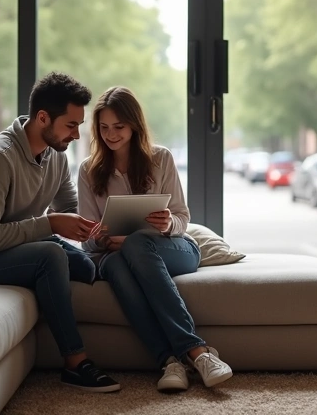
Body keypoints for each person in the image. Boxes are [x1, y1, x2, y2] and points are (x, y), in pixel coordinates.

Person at [0, 72, 121, 393]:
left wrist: (110, 222)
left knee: (86, 266)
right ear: (42, 118)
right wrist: (49, 225)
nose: (77, 135)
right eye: (71, 125)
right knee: (51, 253)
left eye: (78, 125)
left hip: (18, 247)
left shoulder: (55, 156)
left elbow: (72, 208)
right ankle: (75, 362)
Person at [76, 86, 234, 393]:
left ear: (134, 125)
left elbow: (182, 218)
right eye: (104, 128)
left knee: (135, 243)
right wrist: (104, 241)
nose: (111, 134)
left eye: (118, 127)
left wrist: (167, 223)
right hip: (115, 256)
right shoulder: (88, 170)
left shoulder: (161, 158)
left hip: (173, 248)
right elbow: (88, 240)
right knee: (120, 263)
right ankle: (171, 362)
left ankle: (197, 352)